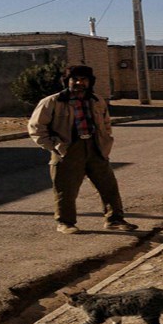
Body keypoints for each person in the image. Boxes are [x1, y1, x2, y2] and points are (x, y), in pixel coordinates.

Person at [27, 65, 138, 235]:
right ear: (67, 81)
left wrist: (105, 141)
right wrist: (54, 146)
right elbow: (36, 128)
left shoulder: (96, 100)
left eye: (84, 79)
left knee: (108, 186)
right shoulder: (52, 102)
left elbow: (106, 123)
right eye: (75, 79)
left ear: (90, 81)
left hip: (96, 148)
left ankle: (114, 220)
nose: (79, 83)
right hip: (67, 150)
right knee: (66, 189)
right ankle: (65, 222)